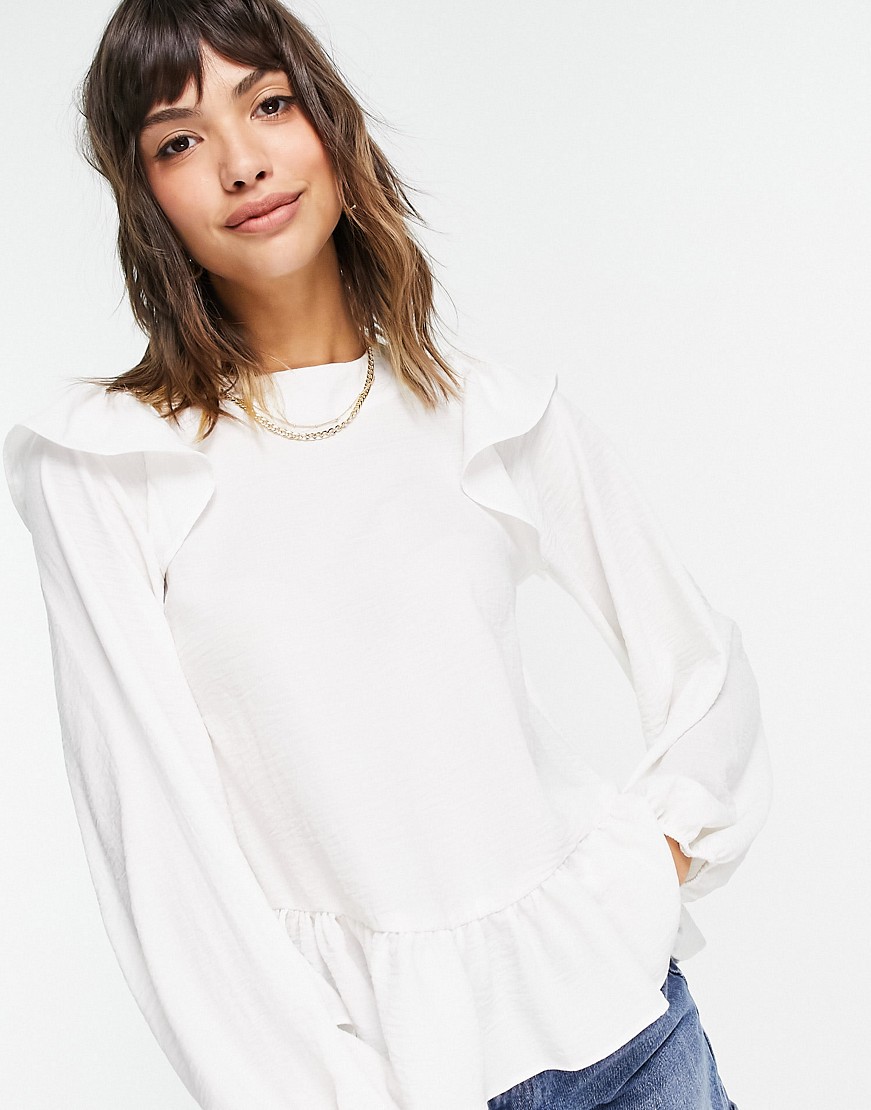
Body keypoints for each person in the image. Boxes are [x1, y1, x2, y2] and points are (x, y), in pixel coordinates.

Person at [3, 1, 772, 1108]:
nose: (241, 163)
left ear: (328, 122)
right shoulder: (108, 464)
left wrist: (653, 860)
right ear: (145, 199)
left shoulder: (486, 412)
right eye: (179, 140)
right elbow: (158, 862)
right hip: (379, 1075)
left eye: (269, 104)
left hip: (628, 1039)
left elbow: (705, 670)